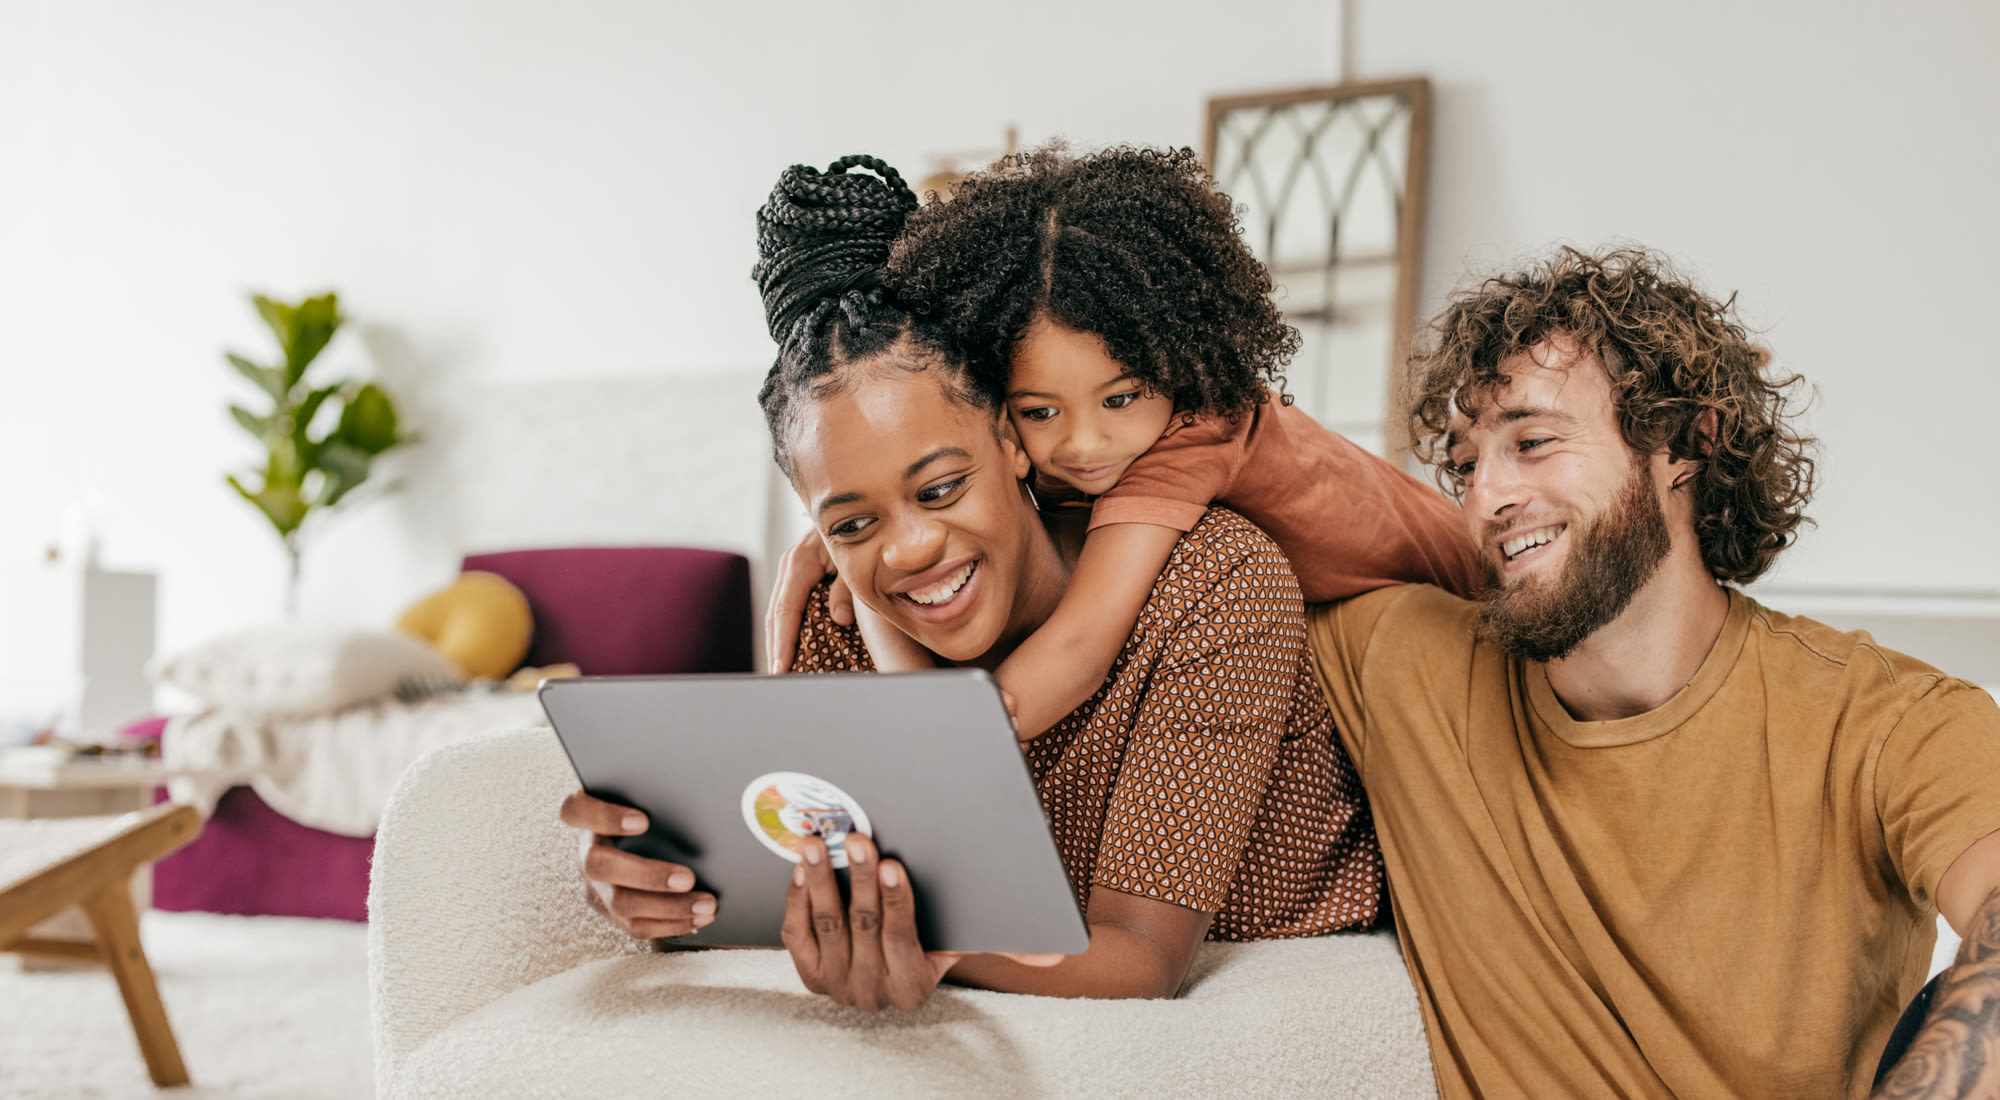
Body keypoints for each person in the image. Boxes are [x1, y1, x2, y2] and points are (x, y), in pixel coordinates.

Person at [560, 154, 1470, 1006]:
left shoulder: (1209, 577)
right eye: (852, 521)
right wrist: (682, 895)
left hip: (1304, 949)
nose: (909, 549)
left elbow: (1139, 957)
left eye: (941, 487)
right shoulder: (837, 611)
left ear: (1006, 441)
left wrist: (929, 944)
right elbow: (816, 871)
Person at [1304, 245, 2000, 1098]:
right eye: (1464, 465)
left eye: (1532, 442)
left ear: (1685, 443)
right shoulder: (1407, 662)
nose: (1485, 499)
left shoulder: (1886, 721)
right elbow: (1225, 448)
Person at [767, 145, 1482, 743]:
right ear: (1001, 416)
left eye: (1121, 397)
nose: (1083, 444)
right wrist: (841, 540)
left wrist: (928, 749)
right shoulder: (1105, 449)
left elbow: (1078, 652)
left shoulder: (1190, 438)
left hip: (1474, 604)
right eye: (1039, 411)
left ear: (1176, 360)